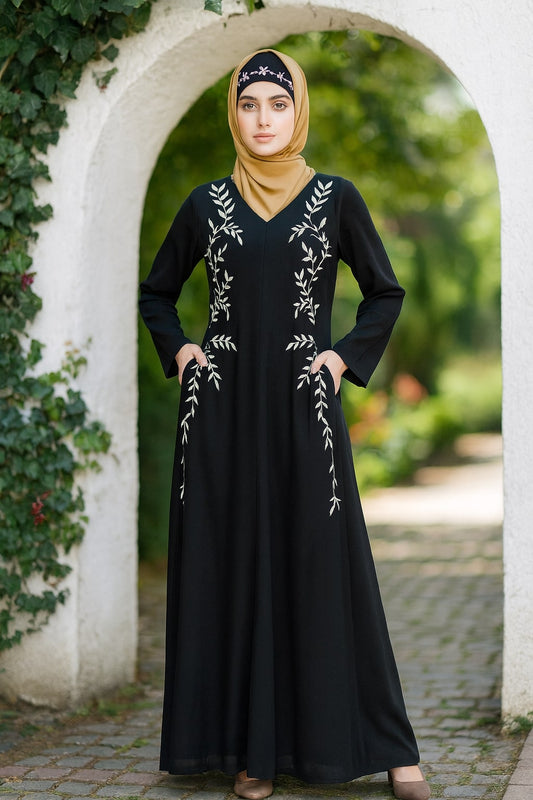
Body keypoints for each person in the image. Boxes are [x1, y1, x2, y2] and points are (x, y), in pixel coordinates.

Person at [139, 49, 431, 800]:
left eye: (277, 103)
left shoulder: (334, 198)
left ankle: (391, 748)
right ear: (233, 116)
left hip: (304, 409)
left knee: (327, 566)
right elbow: (157, 293)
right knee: (232, 563)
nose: (262, 119)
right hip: (221, 415)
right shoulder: (207, 204)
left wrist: (341, 358)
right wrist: (182, 352)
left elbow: (384, 292)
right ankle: (251, 753)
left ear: (298, 111)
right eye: (248, 105)